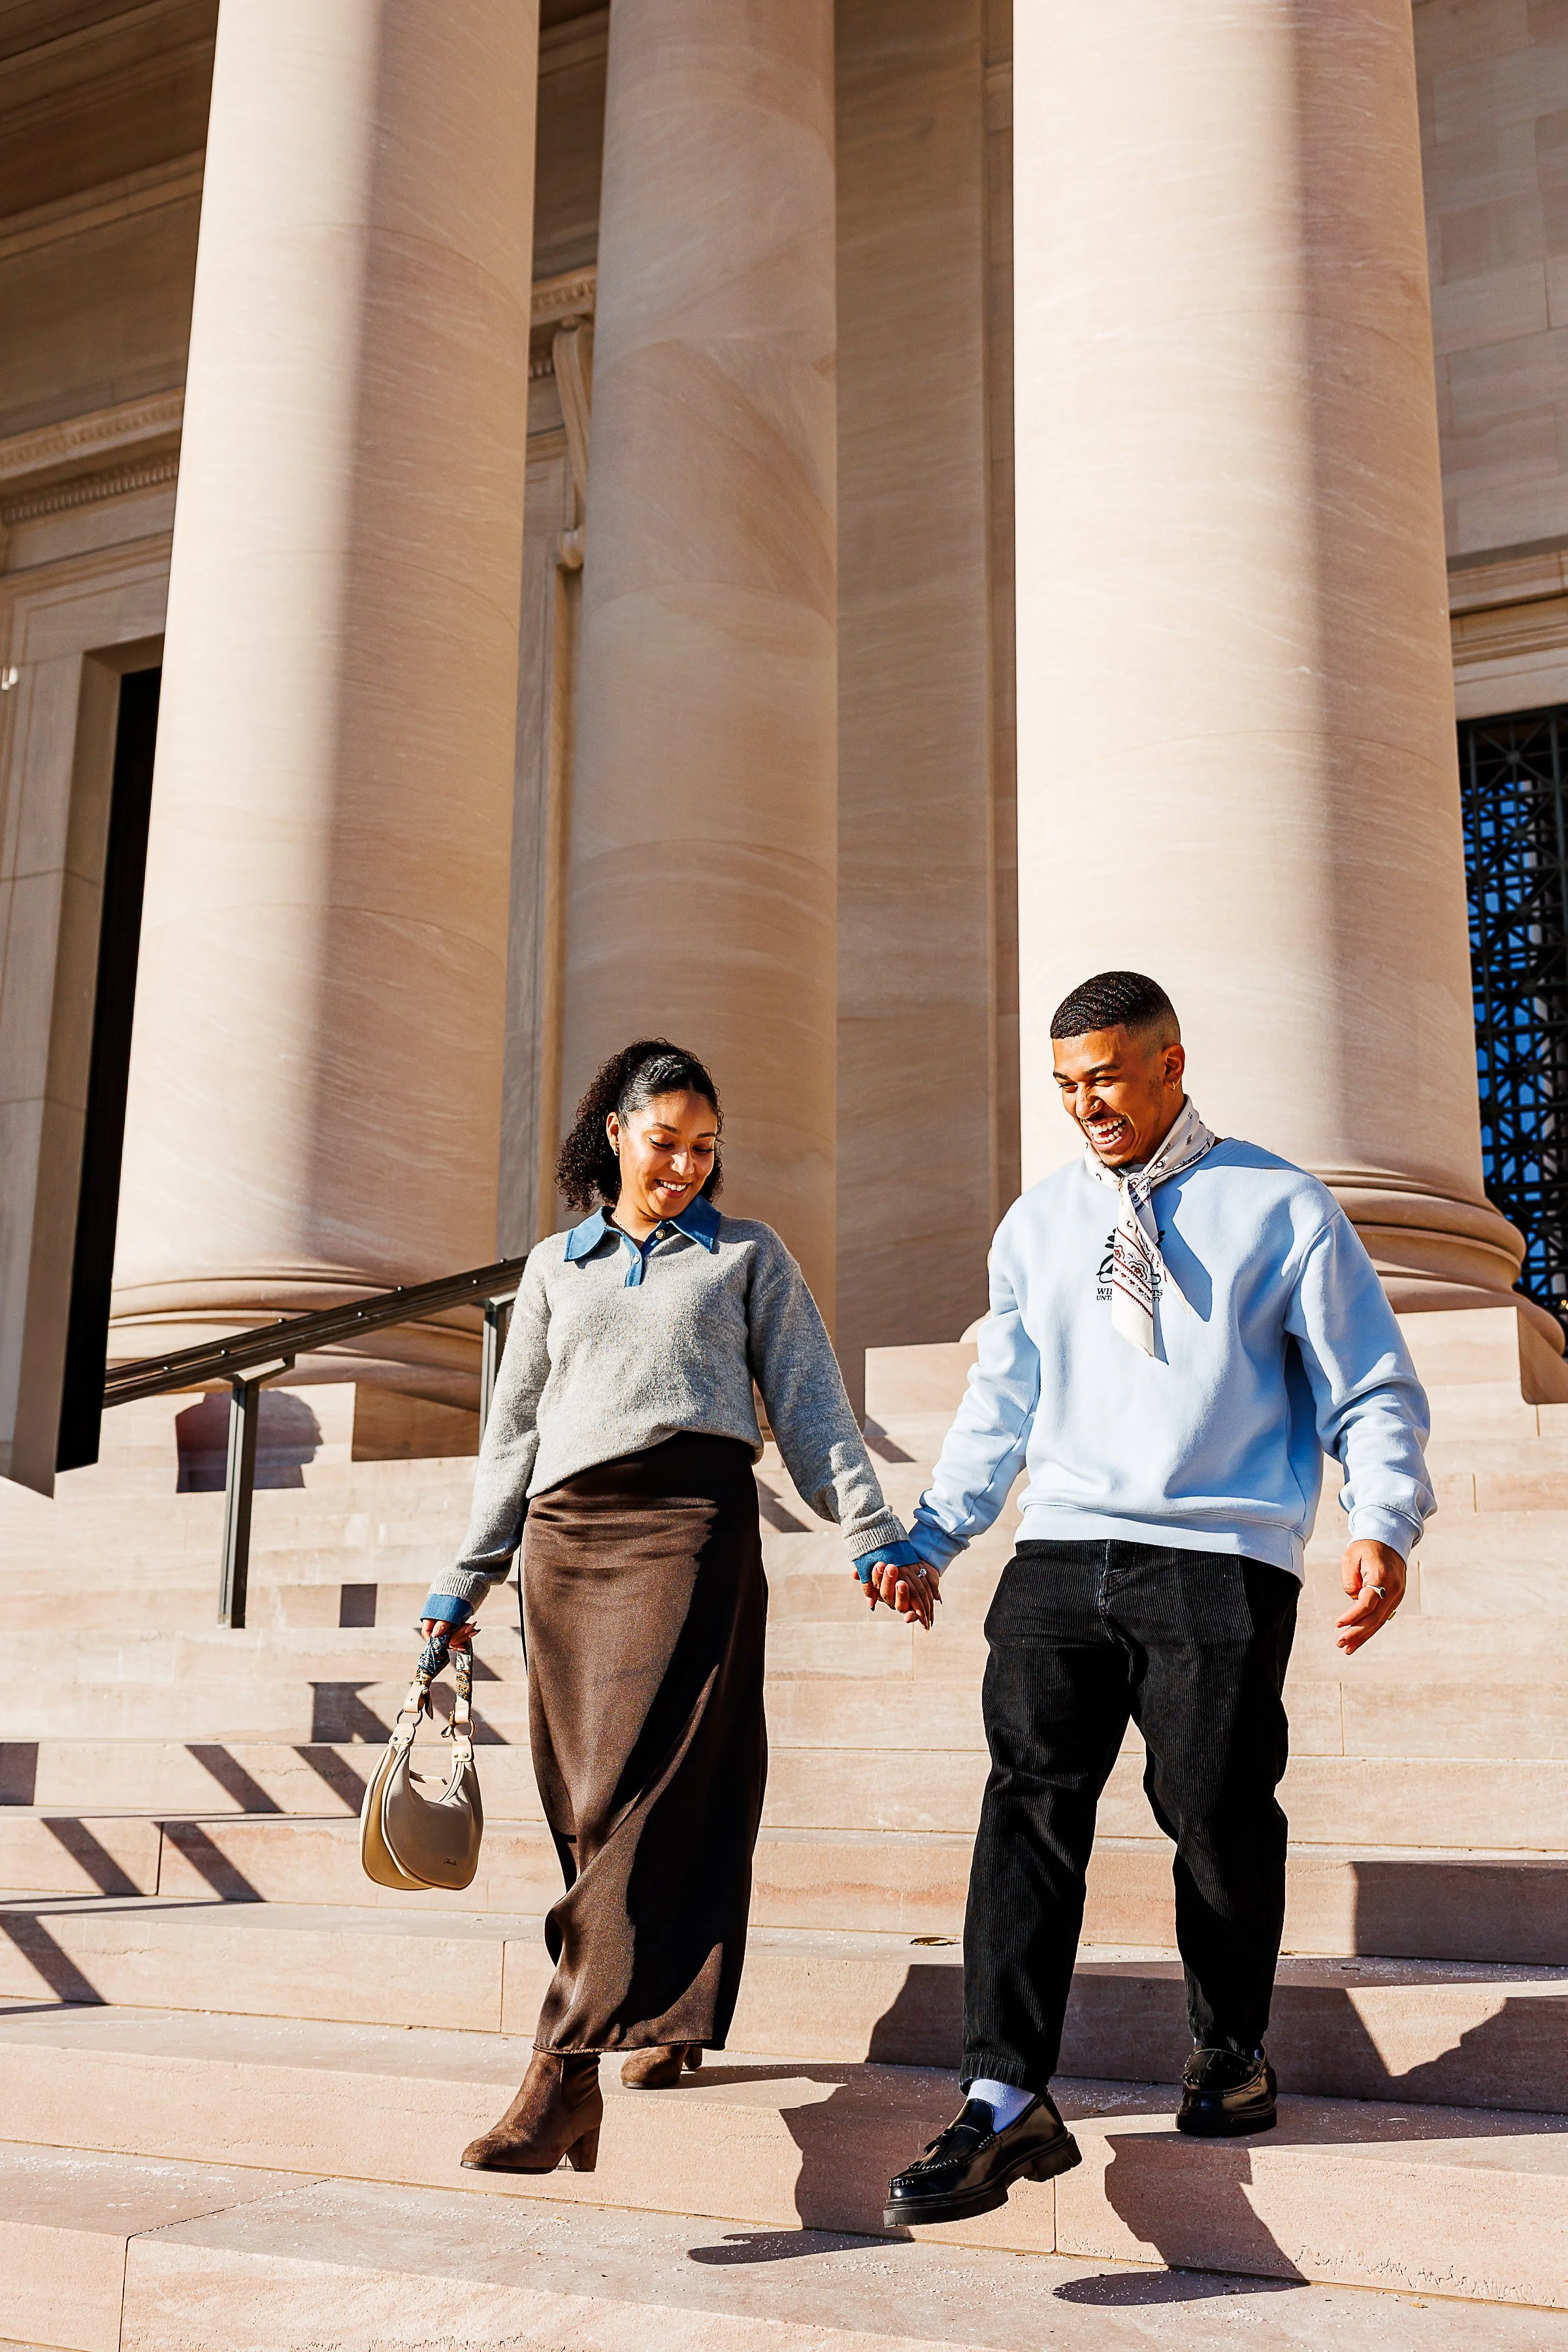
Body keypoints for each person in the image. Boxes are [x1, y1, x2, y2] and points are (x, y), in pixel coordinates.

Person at [874, 970, 1434, 2229]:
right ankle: (1003, 2099)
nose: (1088, 1108)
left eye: (1108, 1079)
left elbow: (1372, 1386)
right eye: (1068, 1087)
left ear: (1172, 1063)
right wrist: (936, 1534)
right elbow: (998, 1406)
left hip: (1219, 1561)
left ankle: (1229, 2047)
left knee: (1219, 1813)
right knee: (1027, 1811)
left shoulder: (1279, 1205)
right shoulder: (1037, 1227)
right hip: (1060, 1555)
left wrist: (1382, 1520)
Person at [418, 1039, 926, 2176]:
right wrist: (465, 1576)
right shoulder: (557, 1266)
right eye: (666, 1144)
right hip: (563, 1545)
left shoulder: (747, 1255)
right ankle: (662, 2015)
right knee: (588, 1808)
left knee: (646, 1790)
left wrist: (870, 1530)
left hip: (687, 1533)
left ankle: (561, 2075)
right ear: (615, 1132)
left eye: (707, 1149)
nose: (687, 1167)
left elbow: (808, 1401)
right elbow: (512, 1430)